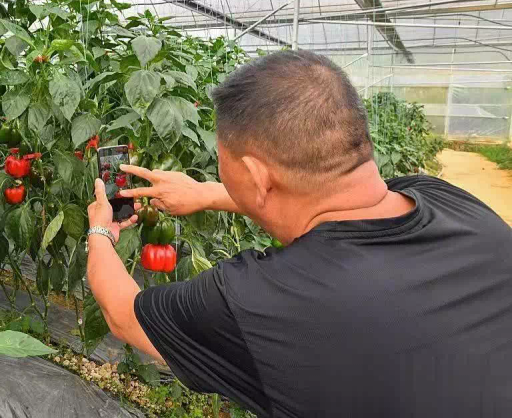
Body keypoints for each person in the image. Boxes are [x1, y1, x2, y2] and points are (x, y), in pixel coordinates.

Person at [85, 50, 512, 418]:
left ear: (255, 174)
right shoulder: (447, 200)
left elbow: (123, 312)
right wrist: (205, 194)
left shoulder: (260, 302)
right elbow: (335, 200)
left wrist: (102, 227)